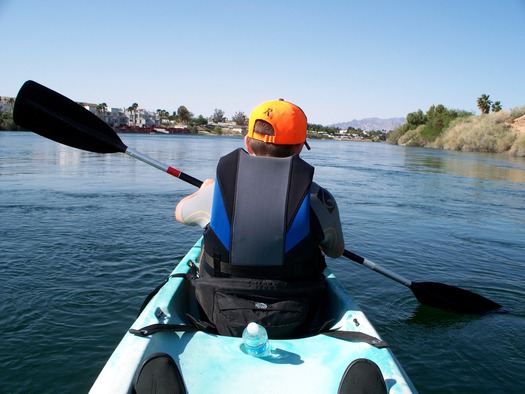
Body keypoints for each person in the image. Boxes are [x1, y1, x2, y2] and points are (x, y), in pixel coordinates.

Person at [175, 99, 344, 338]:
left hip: (219, 310)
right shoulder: (319, 198)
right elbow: (335, 250)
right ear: (298, 148)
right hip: (297, 314)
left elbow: (180, 213)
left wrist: (205, 188)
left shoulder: (216, 192)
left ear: (247, 142)